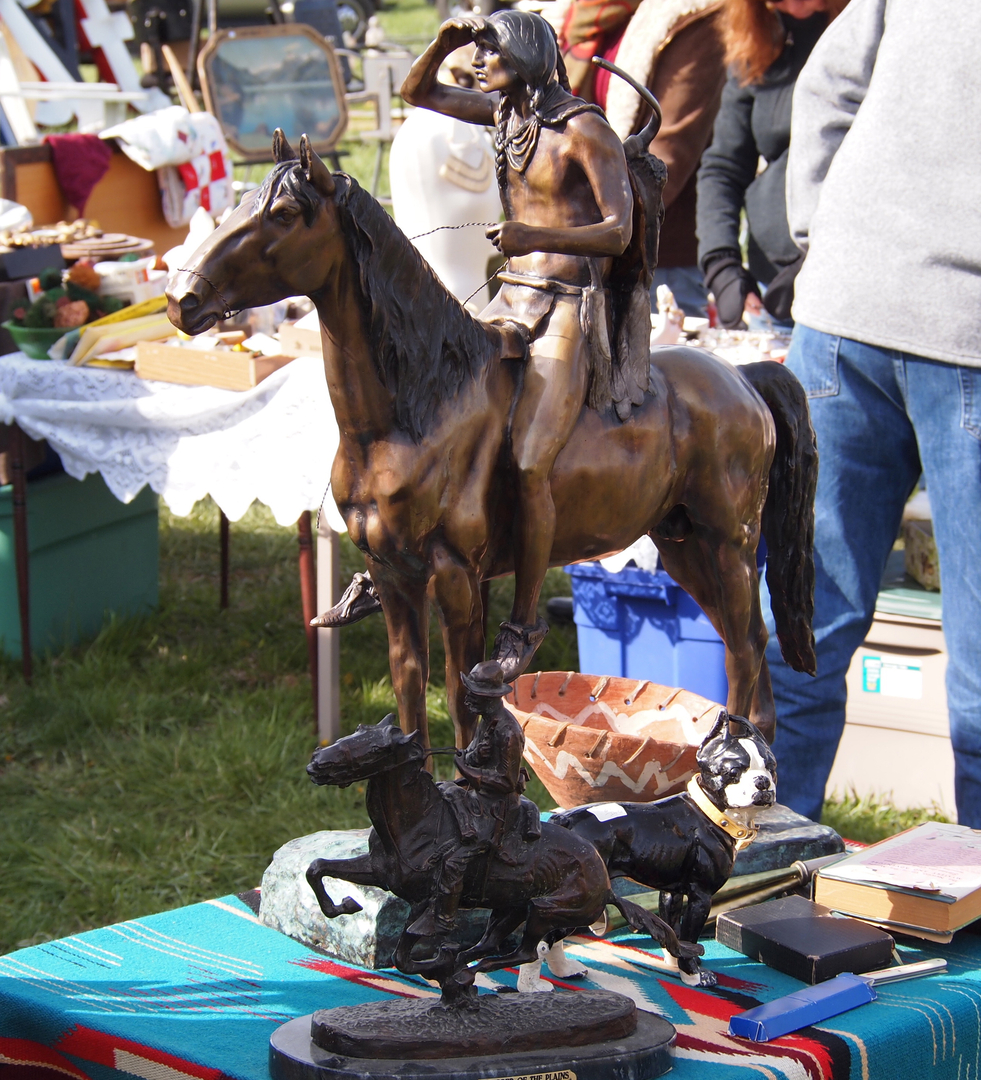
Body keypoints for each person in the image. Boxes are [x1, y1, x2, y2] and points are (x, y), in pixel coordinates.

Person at [762, 0, 981, 826]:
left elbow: (825, 83)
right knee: (805, 620)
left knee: (801, 620)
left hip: (847, 310)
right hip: (928, 320)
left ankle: (755, 865)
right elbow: (826, 85)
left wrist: (827, 233)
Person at [398, 9, 635, 681]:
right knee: (445, 418)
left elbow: (618, 230)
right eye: (472, 54)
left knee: (530, 460)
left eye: (487, 53)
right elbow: (418, 94)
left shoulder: (581, 129)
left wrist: (539, 239)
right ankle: (412, 556)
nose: (477, 66)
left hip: (567, 305)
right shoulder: (505, 114)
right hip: (510, 299)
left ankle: (525, 619)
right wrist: (444, 39)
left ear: (525, 55)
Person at [553, 0, 727, 316]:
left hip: (650, 256)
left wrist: (590, 228)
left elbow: (666, 153)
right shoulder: (569, 17)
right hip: (568, 241)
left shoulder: (693, 17)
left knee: (654, 363)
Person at [695, 0, 848, 329]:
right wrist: (721, 263)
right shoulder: (758, 43)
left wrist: (816, 259)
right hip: (770, 288)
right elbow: (723, 167)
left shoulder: (862, 33)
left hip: (843, 289)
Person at [408, 660, 541, 937]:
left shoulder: (508, 731)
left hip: (498, 808)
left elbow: (506, 781)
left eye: (473, 692)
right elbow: (469, 754)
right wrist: (472, 757)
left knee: (456, 860)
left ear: (490, 697)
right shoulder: (486, 723)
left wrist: (469, 769)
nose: (467, 697)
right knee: (442, 793)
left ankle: (443, 919)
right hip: (480, 796)